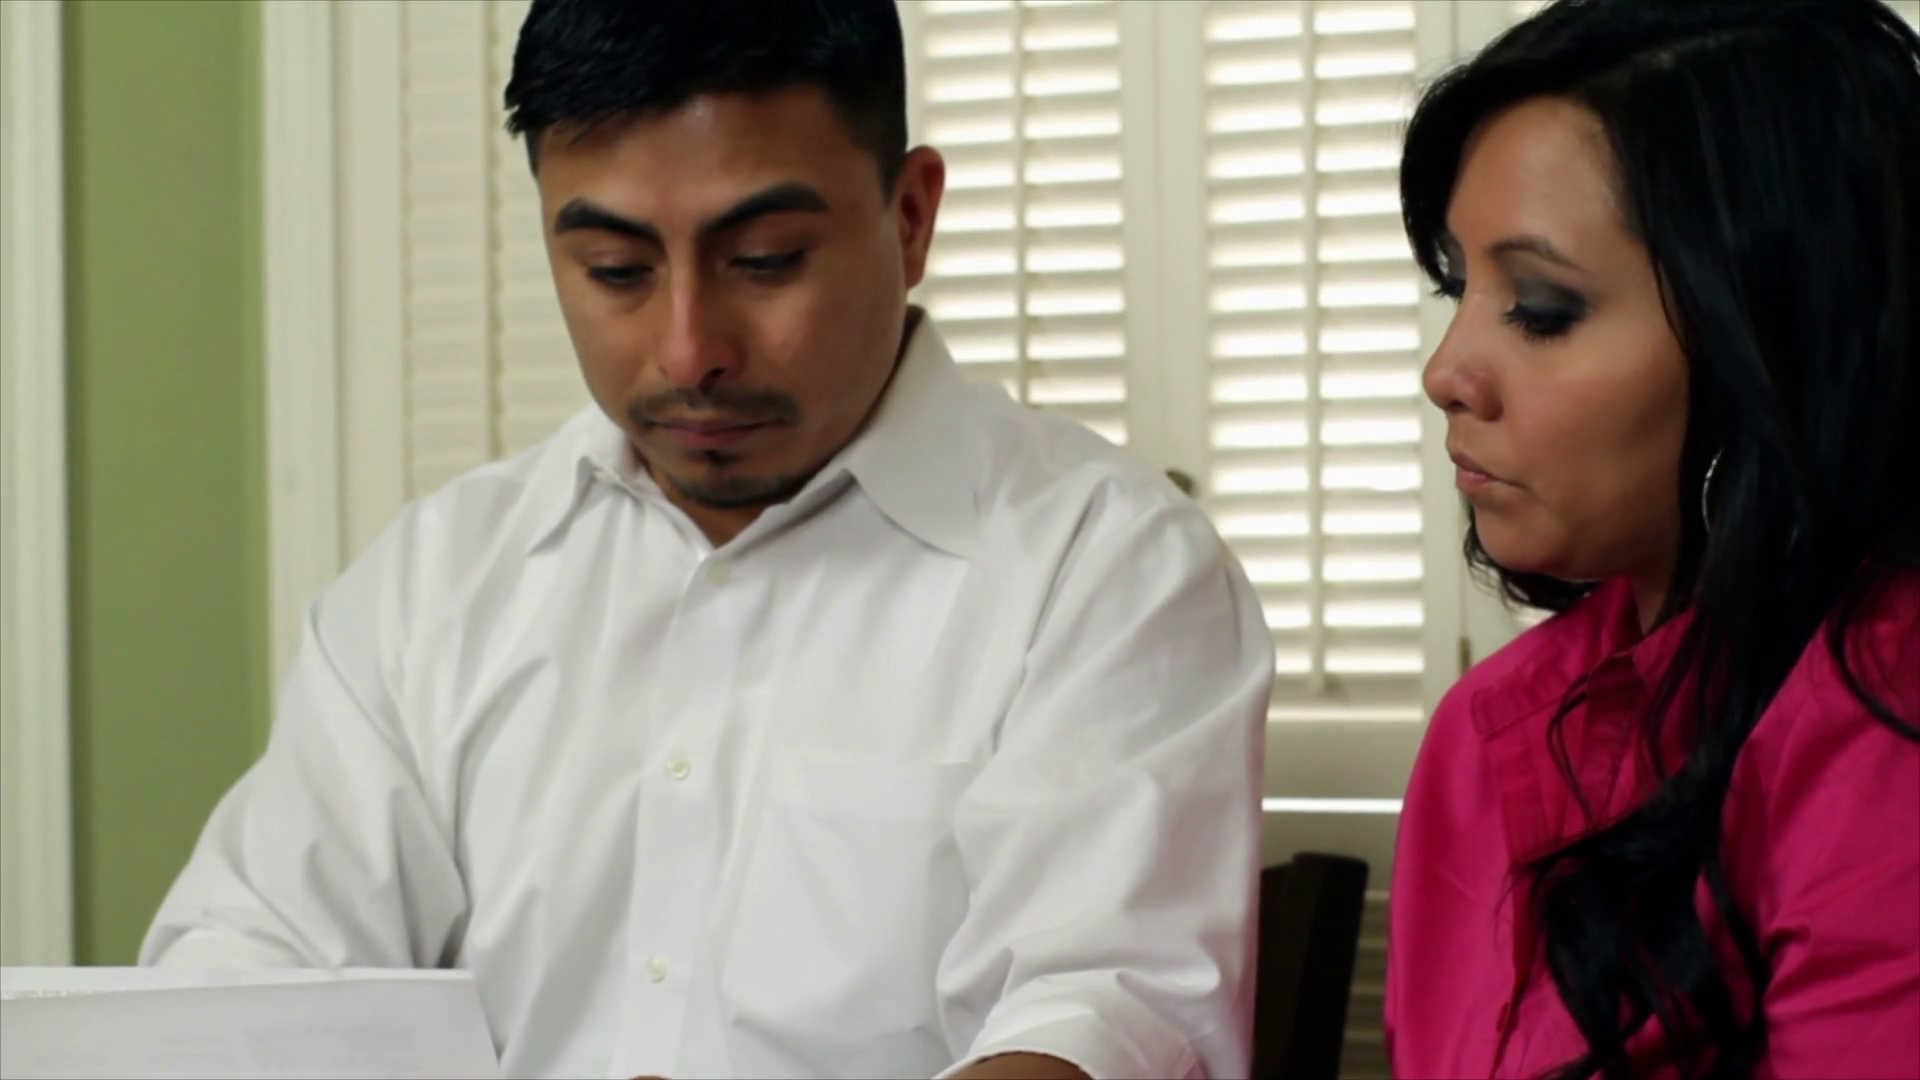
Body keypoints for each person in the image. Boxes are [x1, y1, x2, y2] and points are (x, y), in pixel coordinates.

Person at [141, 2, 1274, 1077]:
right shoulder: (434, 585)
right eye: (616, 272)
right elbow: (246, 972)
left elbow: (1107, 1020)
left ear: (911, 217)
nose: (690, 352)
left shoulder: (1106, 570)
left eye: (765, 259)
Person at [1386, 0, 1920, 1077]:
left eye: (1541, 308)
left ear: (1769, 341)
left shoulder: (1885, 724)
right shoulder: (1486, 733)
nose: (1446, 372)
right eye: (1457, 285)